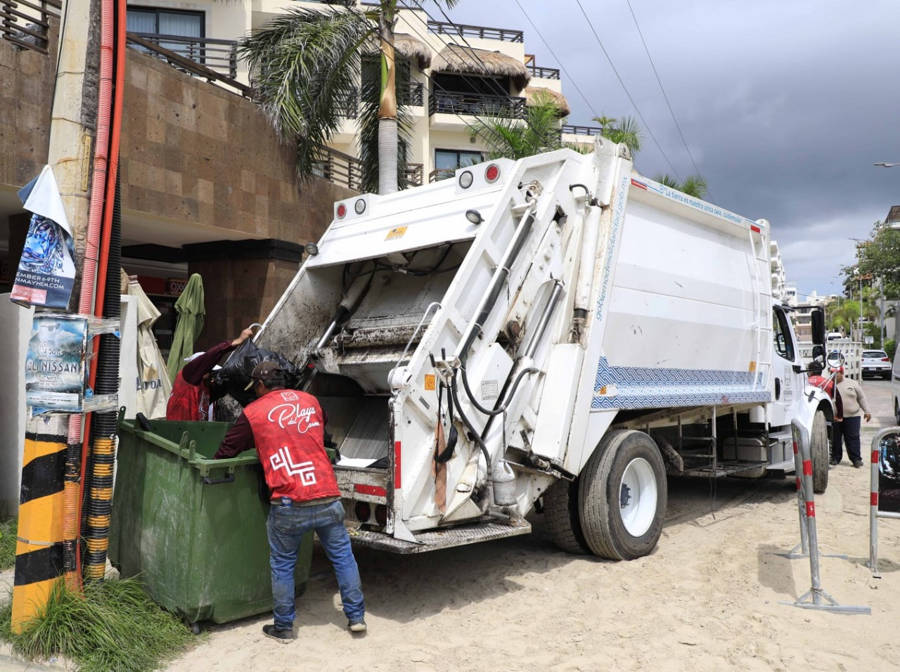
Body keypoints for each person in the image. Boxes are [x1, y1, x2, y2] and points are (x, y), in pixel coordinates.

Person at [213, 361, 366, 642]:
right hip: (326, 493)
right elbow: (319, 428)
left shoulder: (254, 412)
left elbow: (228, 449)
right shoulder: (310, 401)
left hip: (289, 501)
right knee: (343, 557)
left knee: (283, 563)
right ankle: (356, 617)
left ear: (260, 385)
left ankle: (284, 627)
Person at [166, 326, 254, 421]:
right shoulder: (188, 377)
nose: (210, 371)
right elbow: (210, 356)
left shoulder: (205, 387)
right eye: (207, 367)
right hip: (177, 430)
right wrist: (236, 342)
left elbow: (226, 386)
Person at [831, 365, 872, 468]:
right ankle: (835, 458)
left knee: (853, 438)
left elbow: (861, 398)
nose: (835, 376)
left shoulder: (852, 383)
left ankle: (856, 459)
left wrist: (867, 411)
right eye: (832, 373)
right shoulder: (829, 385)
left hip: (852, 416)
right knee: (835, 439)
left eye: (837, 373)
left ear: (842, 373)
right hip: (835, 417)